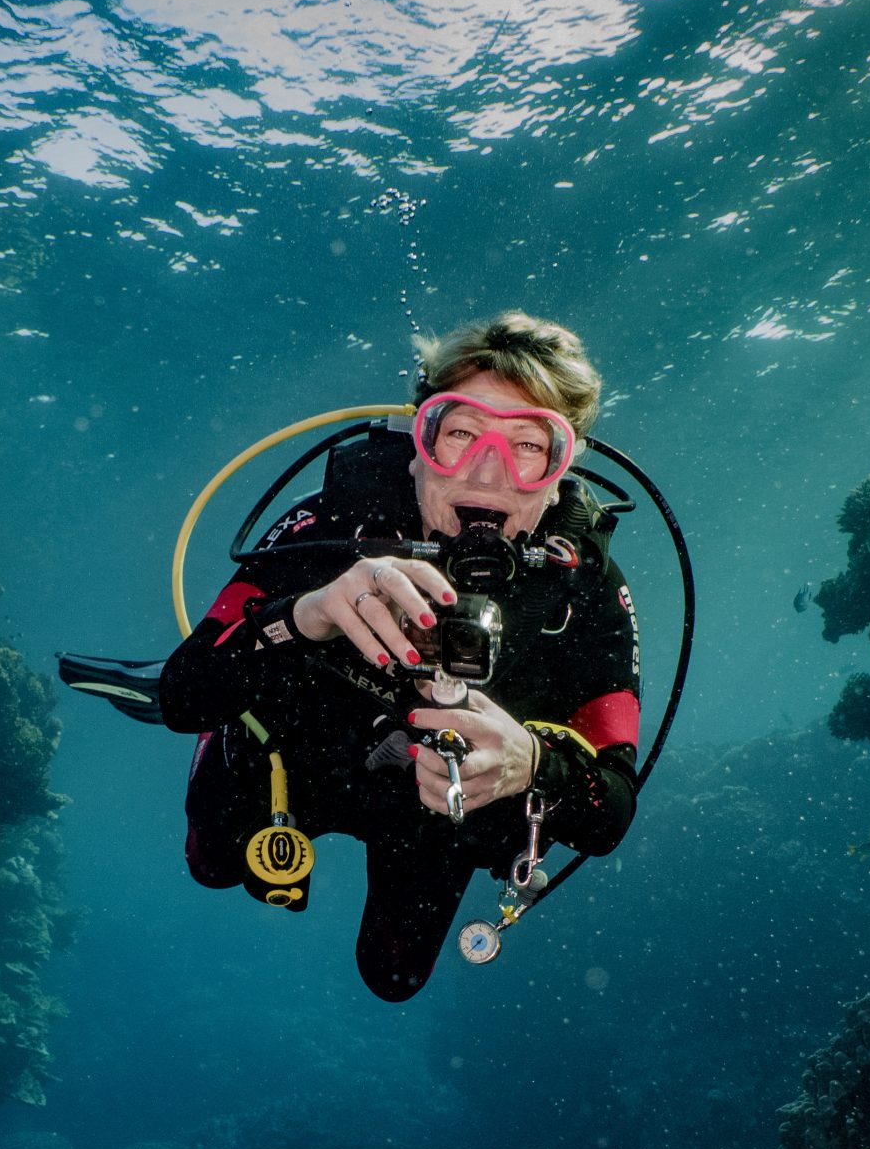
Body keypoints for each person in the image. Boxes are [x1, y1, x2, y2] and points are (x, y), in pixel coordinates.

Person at [158, 312, 642, 1000]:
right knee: (208, 864)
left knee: (392, 976)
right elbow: (180, 693)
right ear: (420, 443)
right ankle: (233, 743)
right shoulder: (331, 523)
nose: (485, 471)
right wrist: (307, 614)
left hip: (432, 809)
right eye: (461, 433)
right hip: (296, 758)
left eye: (528, 446)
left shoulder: (583, 588)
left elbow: (612, 809)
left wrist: (531, 763)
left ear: (561, 471)